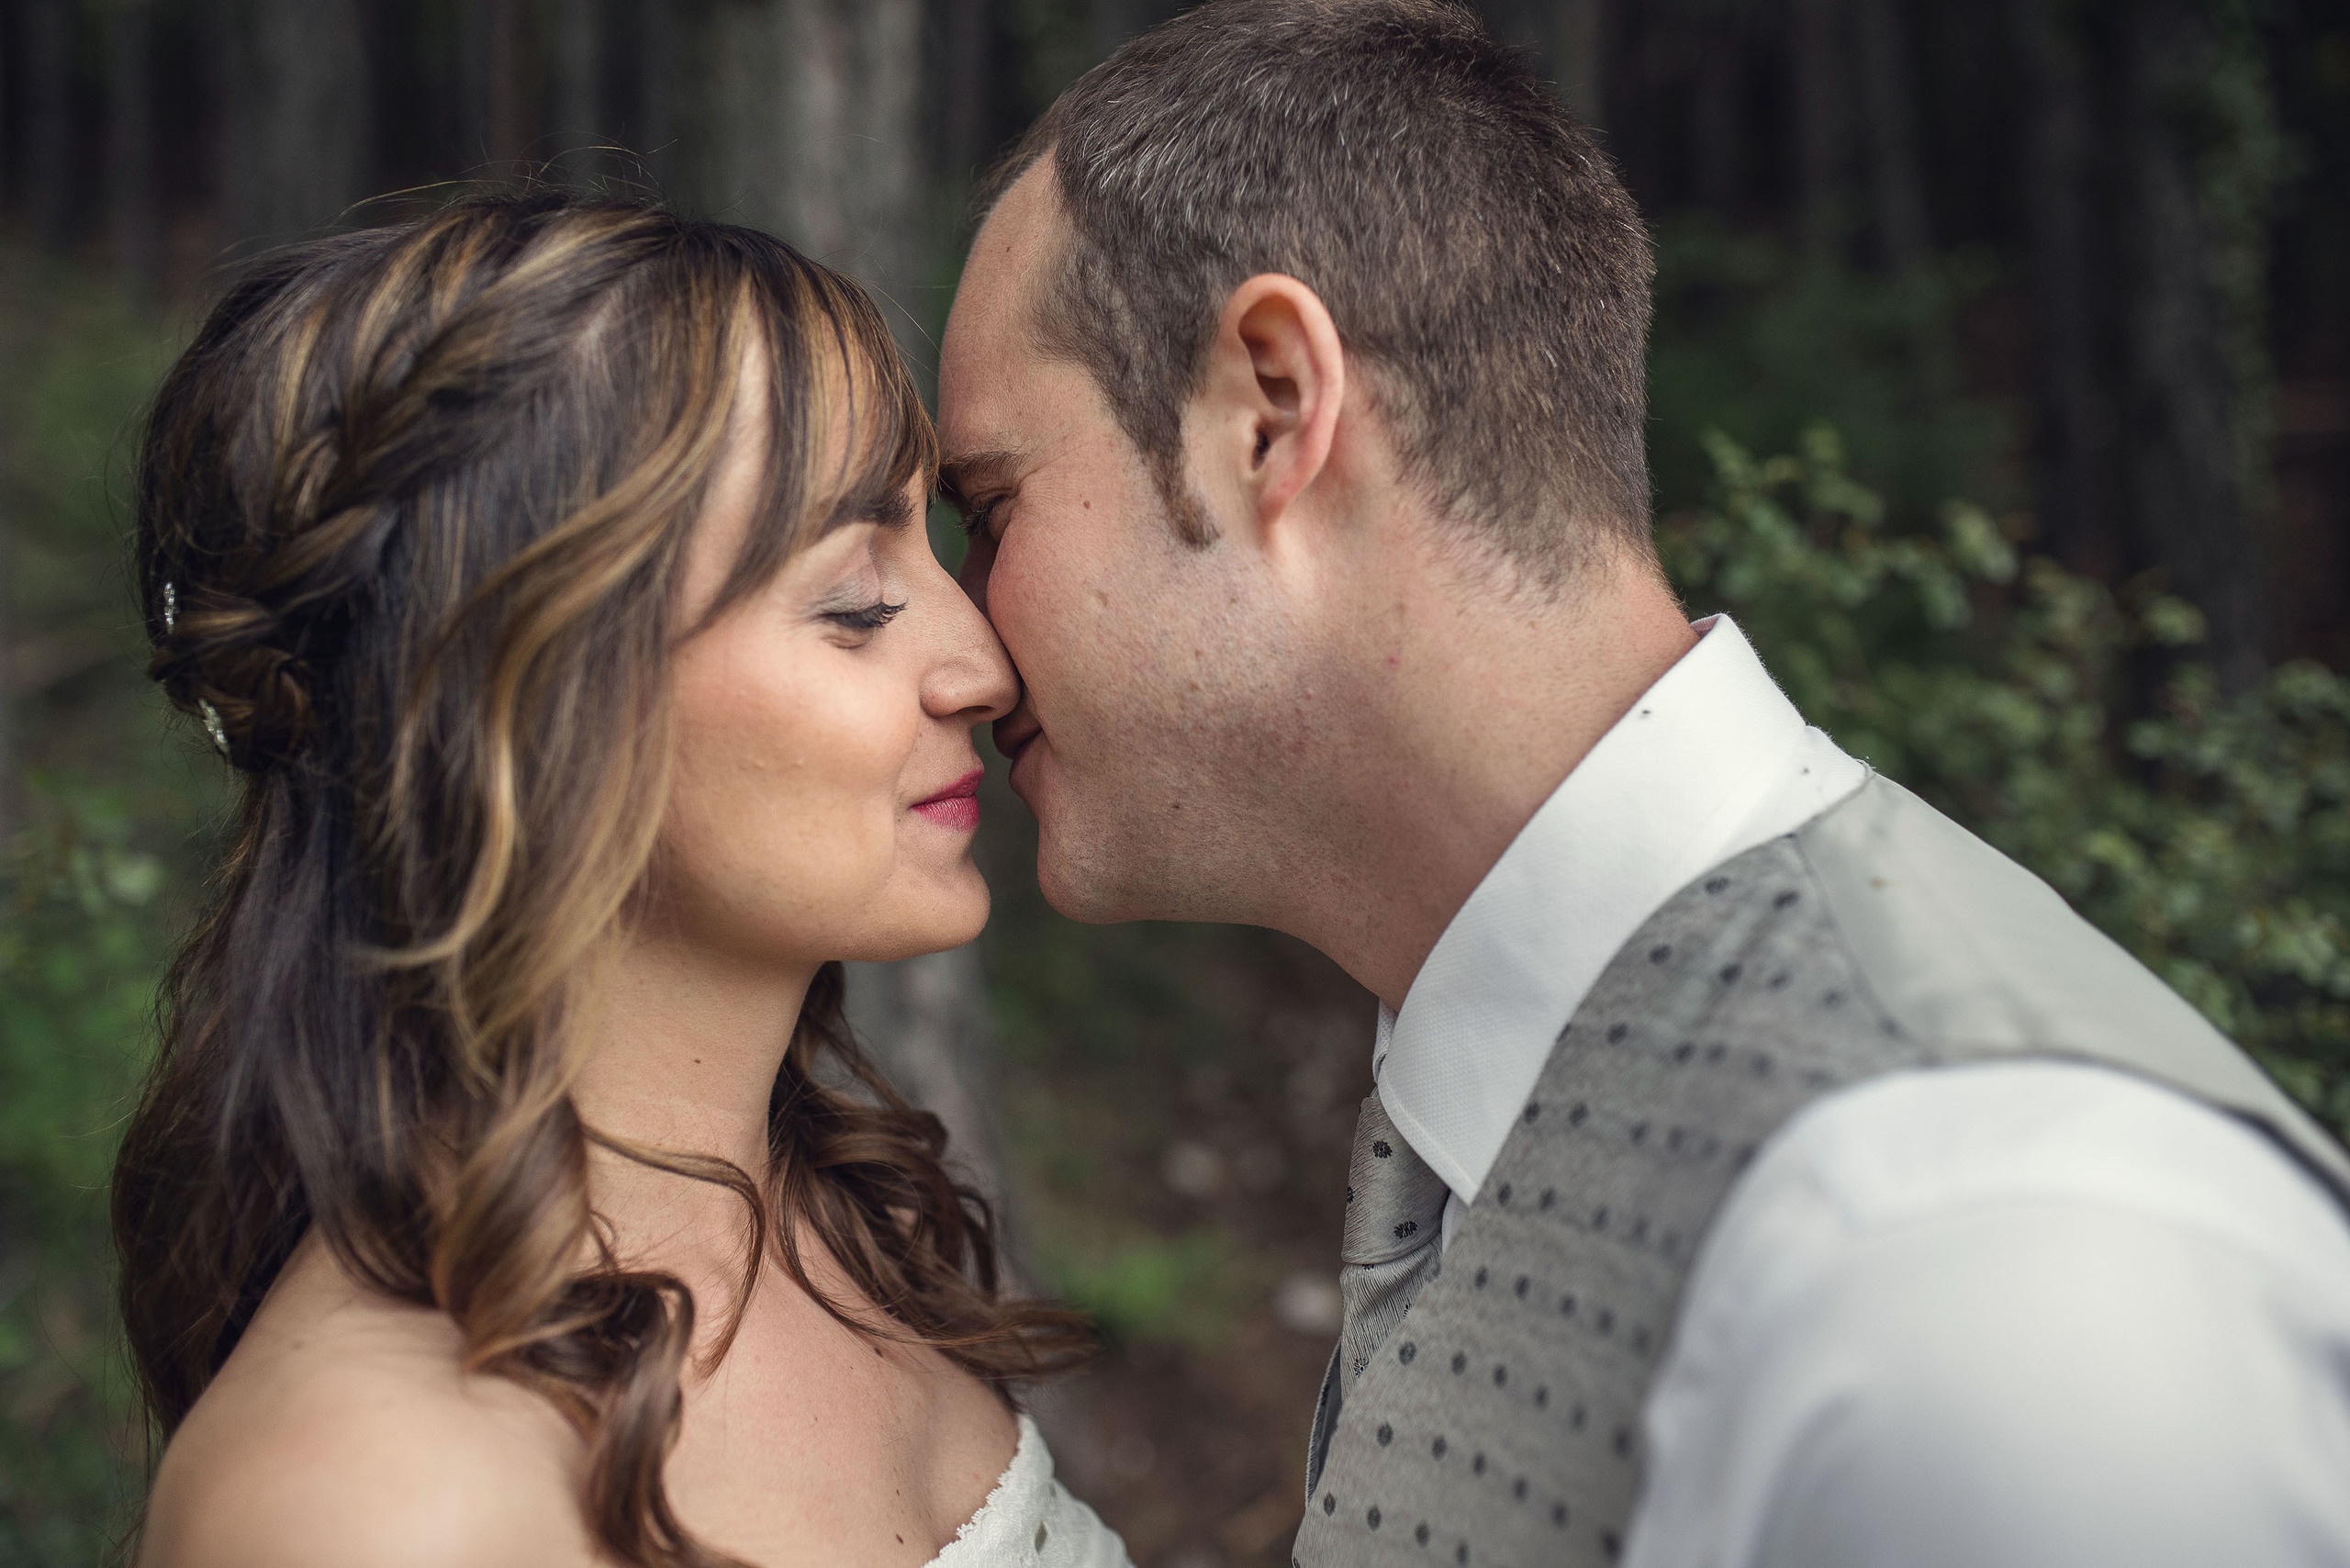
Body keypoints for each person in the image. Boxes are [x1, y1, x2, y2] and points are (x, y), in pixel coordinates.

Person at [936, 2, 2350, 1564]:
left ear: (1269, 409)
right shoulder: (1554, 1111)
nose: (963, 644)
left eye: (990, 513)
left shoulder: (1971, 1255)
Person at [115, 193, 1131, 1568]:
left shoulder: (855, 1225)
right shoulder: (369, 1505)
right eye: (857, 604)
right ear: (532, 710)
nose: (981, 668)